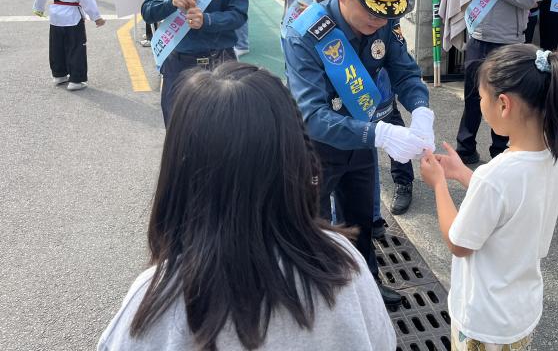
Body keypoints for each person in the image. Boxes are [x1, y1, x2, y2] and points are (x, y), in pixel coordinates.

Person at [98, 63, 396, 351]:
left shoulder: (153, 301)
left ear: (177, 169)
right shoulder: (343, 264)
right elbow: (383, 341)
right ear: (297, 158)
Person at [283, 0, 434, 310]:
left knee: (361, 220)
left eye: (387, 16)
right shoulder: (305, 34)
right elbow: (312, 116)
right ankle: (316, 298)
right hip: (316, 150)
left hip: (361, 142)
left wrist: (422, 110)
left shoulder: (384, 21)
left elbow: (405, 72)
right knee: (314, 226)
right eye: (371, 14)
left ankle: (365, 283)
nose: (380, 23)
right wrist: (381, 134)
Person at [419, 44, 558, 351]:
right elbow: (510, 204)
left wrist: (439, 184)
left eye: (481, 97)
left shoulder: (497, 175)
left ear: (504, 104)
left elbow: (459, 243)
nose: (480, 104)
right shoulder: (552, 158)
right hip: (520, 311)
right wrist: (463, 174)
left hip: (484, 321)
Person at [316, 0, 417, 217]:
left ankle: (403, 181)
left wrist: (375, 17)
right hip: (336, 49)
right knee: (350, 126)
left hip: (377, 49)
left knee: (388, 115)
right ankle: (364, 212)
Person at [456, 0, 545, 165]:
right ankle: (465, 146)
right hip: (478, 37)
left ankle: (500, 151)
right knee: (473, 95)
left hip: (508, 42)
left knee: (505, 100)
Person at [141, 0, 248, 124]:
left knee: (223, 132)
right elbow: (147, 12)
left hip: (220, 62)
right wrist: (170, 1)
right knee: (178, 133)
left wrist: (207, 20)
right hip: (178, 63)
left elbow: (239, 15)